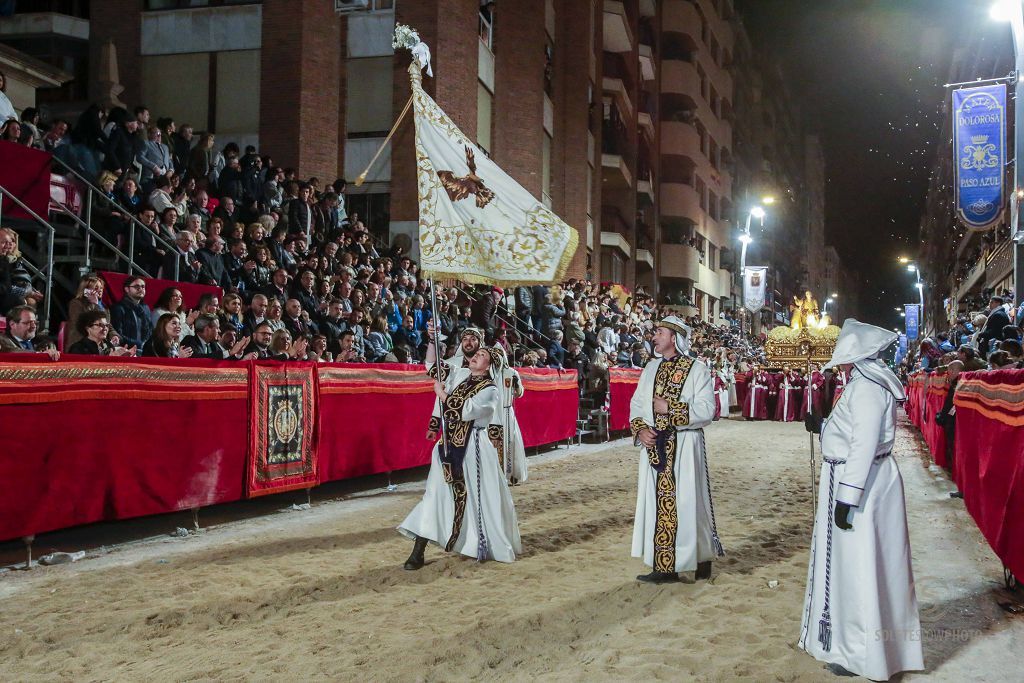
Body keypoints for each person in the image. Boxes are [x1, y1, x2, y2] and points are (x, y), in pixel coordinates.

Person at [800, 319, 923, 680]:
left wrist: (847, 496)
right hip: (857, 479)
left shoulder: (867, 388)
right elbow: (852, 431)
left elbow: (864, 444)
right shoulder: (861, 385)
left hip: (862, 485)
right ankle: (853, 647)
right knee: (852, 566)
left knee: (859, 567)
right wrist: (822, 426)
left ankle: (862, 653)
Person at [399, 335, 522, 569]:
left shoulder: (491, 390)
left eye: (482, 355)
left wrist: (441, 394)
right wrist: (433, 340)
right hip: (447, 447)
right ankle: (418, 550)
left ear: (490, 367)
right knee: (435, 495)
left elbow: (465, 410)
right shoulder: (461, 375)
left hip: (473, 449)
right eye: (477, 353)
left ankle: (477, 542)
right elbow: (432, 367)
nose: (476, 355)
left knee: (477, 500)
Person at [628, 316, 723, 583]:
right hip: (655, 446)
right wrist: (640, 429)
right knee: (661, 505)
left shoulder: (696, 369)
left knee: (690, 502)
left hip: (684, 446)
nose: (654, 336)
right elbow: (637, 404)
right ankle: (665, 565)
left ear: (674, 337)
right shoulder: (650, 368)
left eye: (659, 332)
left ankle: (701, 559)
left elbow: (707, 411)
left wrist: (671, 409)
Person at [491, 345, 528, 485]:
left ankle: (511, 472)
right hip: (492, 413)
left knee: (510, 441)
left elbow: (519, 393)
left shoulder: (511, 372)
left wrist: (517, 384)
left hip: (506, 411)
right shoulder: (487, 373)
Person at [110, 276, 154, 350]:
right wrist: (139, 345)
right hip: (125, 349)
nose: (141, 289)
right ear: (127, 289)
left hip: (144, 350)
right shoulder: (118, 308)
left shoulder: (146, 308)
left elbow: (150, 330)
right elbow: (118, 334)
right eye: (137, 286)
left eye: (143, 286)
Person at [67, 310, 136, 356]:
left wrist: (124, 357)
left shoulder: (109, 346)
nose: (105, 328)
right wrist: (110, 360)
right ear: (88, 328)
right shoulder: (78, 349)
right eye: (100, 325)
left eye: (107, 325)